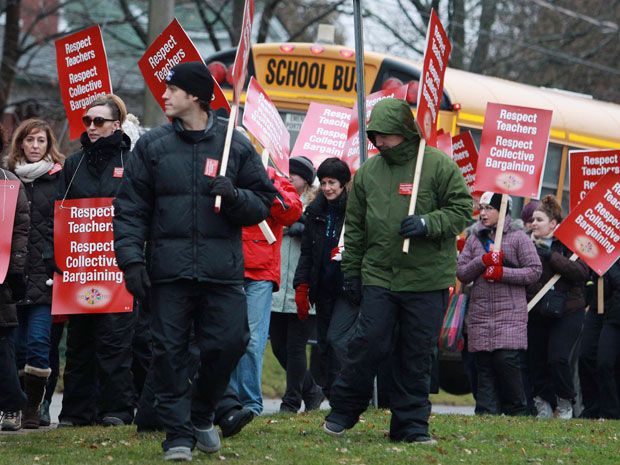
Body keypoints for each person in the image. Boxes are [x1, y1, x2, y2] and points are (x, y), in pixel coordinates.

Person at [113, 62, 276, 462]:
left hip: (221, 272)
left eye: (172, 90)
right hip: (168, 273)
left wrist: (235, 196)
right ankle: (178, 435)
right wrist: (132, 261)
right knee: (168, 354)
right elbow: (129, 209)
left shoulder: (233, 144)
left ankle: (203, 411)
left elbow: (264, 202)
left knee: (231, 342)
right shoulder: (151, 146)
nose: (164, 96)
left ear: (195, 96)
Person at [324, 98, 472, 443]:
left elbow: (463, 209)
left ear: (404, 132)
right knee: (366, 344)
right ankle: (344, 409)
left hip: (427, 280)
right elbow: (356, 227)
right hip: (380, 275)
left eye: (386, 135)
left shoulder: (437, 166)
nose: (379, 141)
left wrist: (428, 222)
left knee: (416, 354)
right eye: (375, 135)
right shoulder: (368, 174)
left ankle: (411, 426)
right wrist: (351, 272)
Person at [43, 94, 136, 428]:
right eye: (88, 121)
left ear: (116, 124)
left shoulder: (132, 160)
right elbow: (60, 209)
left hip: (118, 265)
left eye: (99, 121)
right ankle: (76, 411)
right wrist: (53, 250)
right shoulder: (74, 162)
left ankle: (117, 410)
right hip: (82, 265)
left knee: (115, 340)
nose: (92, 127)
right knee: (79, 341)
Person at [215, 166, 302, 426]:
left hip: (260, 271)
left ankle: (251, 403)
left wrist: (268, 186)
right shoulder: (224, 171)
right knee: (227, 339)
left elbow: (292, 212)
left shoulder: (274, 177)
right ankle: (227, 402)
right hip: (226, 266)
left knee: (252, 341)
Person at [457, 192, 542, 416]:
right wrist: (482, 261)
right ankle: (486, 413)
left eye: (489, 208)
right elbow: (462, 273)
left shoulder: (518, 238)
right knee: (483, 365)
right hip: (481, 314)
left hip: (510, 315)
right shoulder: (474, 238)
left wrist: (503, 272)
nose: (482, 213)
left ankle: (517, 411)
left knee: (506, 362)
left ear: (503, 210)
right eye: (481, 208)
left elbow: (534, 271)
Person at [4, 119, 64, 429]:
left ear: (48, 144)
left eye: (41, 140)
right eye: (30, 140)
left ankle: (33, 407)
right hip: (11, 275)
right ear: (20, 144)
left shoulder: (59, 178)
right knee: (17, 347)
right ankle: (14, 406)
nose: (35, 146)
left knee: (40, 343)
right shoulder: (6, 180)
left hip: (45, 274)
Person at [293, 157, 356, 402]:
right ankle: (331, 393)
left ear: (343, 184)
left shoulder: (353, 211)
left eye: (333, 183)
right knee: (324, 345)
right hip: (323, 287)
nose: (328, 188)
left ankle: (343, 394)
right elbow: (307, 252)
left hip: (346, 287)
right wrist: (301, 284)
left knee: (337, 339)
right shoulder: (315, 212)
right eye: (324, 182)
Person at [270, 156, 324, 413]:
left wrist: (304, 228)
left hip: (303, 287)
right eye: (287, 172)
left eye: (296, 173)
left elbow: (324, 238)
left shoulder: (318, 204)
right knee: (279, 345)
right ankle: (311, 391)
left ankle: (291, 401)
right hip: (278, 285)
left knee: (295, 347)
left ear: (307, 178)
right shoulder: (277, 198)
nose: (289, 176)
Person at [527, 195, 589, 419]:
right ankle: (542, 403)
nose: (533, 223)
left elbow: (581, 273)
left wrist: (551, 256)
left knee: (558, 359)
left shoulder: (570, 243)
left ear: (553, 223)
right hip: (538, 310)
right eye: (533, 219)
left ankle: (565, 402)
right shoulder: (527, 243)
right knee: (537, 361)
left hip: (568, 311)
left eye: (539, 220)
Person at [0, 161, 30, 431]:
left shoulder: (8, 183)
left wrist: (16, 272)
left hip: (2, 275)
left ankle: (12, 406)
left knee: (3, 343)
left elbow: (20, 231)